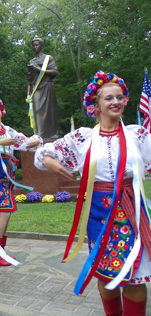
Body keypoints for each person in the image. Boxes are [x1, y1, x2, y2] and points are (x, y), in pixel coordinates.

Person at [35, 71, 151, 315]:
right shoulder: (82, 139)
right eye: (109, 98)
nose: (116, 102)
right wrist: (48, 160)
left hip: (132, 210)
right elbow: (44, 153)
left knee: (136, 275)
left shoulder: (137, 135)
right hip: (99, 212)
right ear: (95, 105)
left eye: (119, 97)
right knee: (106, 270)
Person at [0, 98, 42, 266]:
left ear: (2, 111)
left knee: (6, 212)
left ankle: (1, 252)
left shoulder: (9, 130)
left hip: (7, 170)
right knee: (4, 211)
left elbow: (24, 142)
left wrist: (36, 141)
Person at [27, 37, 59, 139]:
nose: (35, 47)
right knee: (37, 110)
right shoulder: (31, 61)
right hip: (36, 89)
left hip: (48, 86)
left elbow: (55, 72)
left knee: (50, 111)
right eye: (34, 45)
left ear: (41, 45)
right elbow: (29, 80)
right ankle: (39, 134)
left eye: (37, 45)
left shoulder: (48, 58)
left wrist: (41, 70)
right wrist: (28, 94)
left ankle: (52, 135)